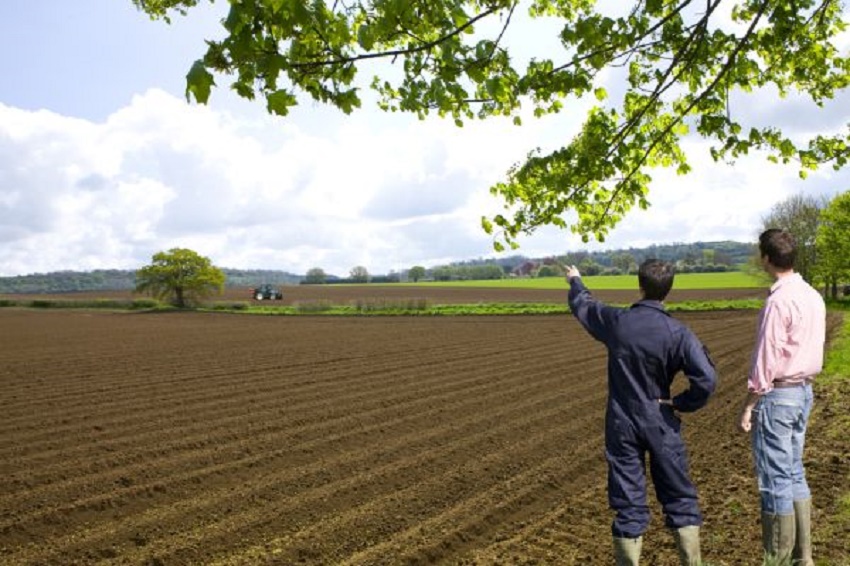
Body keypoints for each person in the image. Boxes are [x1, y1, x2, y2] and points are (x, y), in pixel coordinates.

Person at [566, 259, 717, 566]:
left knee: (628, 504)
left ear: (640, 285)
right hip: (661, 419)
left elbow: (585, 307)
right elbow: (707, 379)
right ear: (668, 290)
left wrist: (575, 281)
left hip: (622, 422)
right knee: (679, 498)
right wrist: (681, 403)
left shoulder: (618, 322)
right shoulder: (678, 332)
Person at [737, 229, 826, 564]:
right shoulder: (812, 295)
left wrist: (749, 405)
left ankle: (777, 559)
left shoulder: (778, 301)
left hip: (779, 396)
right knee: (793, 472)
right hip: (804, 392)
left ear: (766, 259)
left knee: (774, 478)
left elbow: (766, 358)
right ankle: (804, 558)